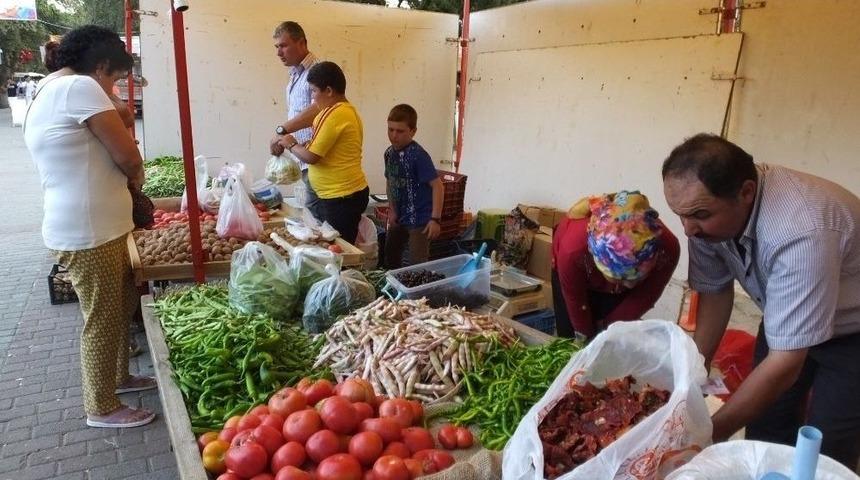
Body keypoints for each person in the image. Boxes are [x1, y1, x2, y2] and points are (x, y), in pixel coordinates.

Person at [661, 133, 860, 468]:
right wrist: (691, 379)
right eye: (680, 215)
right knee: (765, 427)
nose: (687, 230)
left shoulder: (799, 230)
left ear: (746, 192)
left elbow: (784, 364)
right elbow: (714, 293)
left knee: (824, 449)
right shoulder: (704, 218)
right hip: (788, 312)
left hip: (853, 332)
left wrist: (709, 434)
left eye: (698, 215)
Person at [23, 25, 156, 429]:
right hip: (88, 229)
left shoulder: (51, 88)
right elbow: (129, 157)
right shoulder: (78, 89)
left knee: (119, 307)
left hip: (95, 225)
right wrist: (136, 181)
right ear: (100, 67)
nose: (114, 87)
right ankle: (100, 407)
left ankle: (119, 377)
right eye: (114, 78)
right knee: (101, 316)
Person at [551, 190, 680, 340]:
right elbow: (575, 301)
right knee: (570, 336)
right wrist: (583, 339)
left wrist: (608, 332)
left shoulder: (667, 249)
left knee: (613, 336)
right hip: (577, 272)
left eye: (638, 278)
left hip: (604, 276)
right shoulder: (572, 251)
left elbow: (643, 297)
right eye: (622, 278)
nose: (630, 286)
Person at [278, 61, 369, 244]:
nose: (313, 98)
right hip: (341, 195)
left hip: (341, 198)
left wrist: (291, 144)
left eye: (313, 91)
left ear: (328, 91)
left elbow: (312, 157)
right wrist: (305, 145)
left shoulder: (334, 114)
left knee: (341, 251)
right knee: (339, 246)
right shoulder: (346, 111)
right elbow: (322, 148)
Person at [269, 21, 322, 214]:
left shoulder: (317, 71)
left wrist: (282, 130)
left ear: (302, 43)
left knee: (318, 219)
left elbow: (319, 108)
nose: (278, 53)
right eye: (276, 47)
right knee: (312, 215)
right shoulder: (294, 75)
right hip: (303, 158)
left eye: (283, 45)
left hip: (316, 158)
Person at [383, 104, 443, 268]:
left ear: (413, 131)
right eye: (390, 129)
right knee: (390, 256)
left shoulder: (418, 156)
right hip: (399, 215)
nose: (394, 135)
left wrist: (435, 219)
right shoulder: (389, 153)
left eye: (400, 131)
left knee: (417, 264)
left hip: (420, 219)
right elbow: (390, 181)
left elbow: (438, 186)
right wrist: (392, 209)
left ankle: (417, 293)